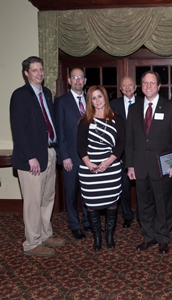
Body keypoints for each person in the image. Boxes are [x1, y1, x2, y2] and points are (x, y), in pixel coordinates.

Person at [10, 56, 65, 257]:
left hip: (49, 152)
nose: (39, 73)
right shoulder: (20, 95)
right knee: (33, 201)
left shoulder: (47, 93)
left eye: (41, 69)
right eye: (34, 70)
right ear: (26, 73)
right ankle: (31, 243)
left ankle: (44, 234)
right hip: (32, 158)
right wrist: (29, 156)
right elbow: (19, 129)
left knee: (47, 197)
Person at [125, 71, 172, 255]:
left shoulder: (171, 107)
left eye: (152, 83)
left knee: (163, 204)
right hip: (140, 166)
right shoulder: (134, 109)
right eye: (144, 83)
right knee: (144, 205)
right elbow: (129, 140)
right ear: (140, 86)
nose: (148, 86)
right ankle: (148, 237)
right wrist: (130, 165)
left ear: (159, 86)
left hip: (163, 167)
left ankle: (163, 238)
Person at [77, 85, 125, 251]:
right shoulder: (84, 121)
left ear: (105, 97)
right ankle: (97, 236)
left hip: (110, 168)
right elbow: (80, 146)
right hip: (89, 169)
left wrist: (108, 162)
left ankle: (109, 235)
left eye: (99, 96)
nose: (97, 100)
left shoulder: (117, 119)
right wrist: (90, 165)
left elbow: (121, 143)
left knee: (112, 203)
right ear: (90, 101)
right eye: (93, 98)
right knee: (92, 204)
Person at [55, 68, 90, 240]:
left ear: (85, 81)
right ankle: (74, 224)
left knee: (87, 191)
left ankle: (87, 221)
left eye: (80, 77)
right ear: (69, 81)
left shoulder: (91, 101)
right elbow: (60, 132)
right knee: (70, 193)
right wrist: (64, 156)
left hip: (89, 157)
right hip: (71, 157)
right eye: (74, 77)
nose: (77, 80)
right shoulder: (61, 102)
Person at [110, 76, 142, 228]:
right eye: (124, 86)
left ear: (135, 87)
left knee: (143, 187)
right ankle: (127, 215)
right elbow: (111, 131)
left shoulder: (143, 103)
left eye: (130, 85)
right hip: (121, 155)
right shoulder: (113, 105)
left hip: (141, 153)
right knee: (125, 188)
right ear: (121, 89)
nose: (128, 88)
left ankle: (143, 215)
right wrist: (119, 154)